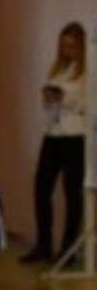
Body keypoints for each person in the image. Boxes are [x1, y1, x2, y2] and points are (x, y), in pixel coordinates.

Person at [20, 22, 86, 265]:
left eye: (72, 46)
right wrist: (49, 96)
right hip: (53, 132)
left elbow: (85, 102)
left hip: (75, 135)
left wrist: (63, 97)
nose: (67, 50)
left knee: (73, 192)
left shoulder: (87, 72)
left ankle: (69, 249)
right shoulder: (57, 69)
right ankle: (43, 243)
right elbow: (49, 104)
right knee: (42, 187)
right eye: (64, 45)